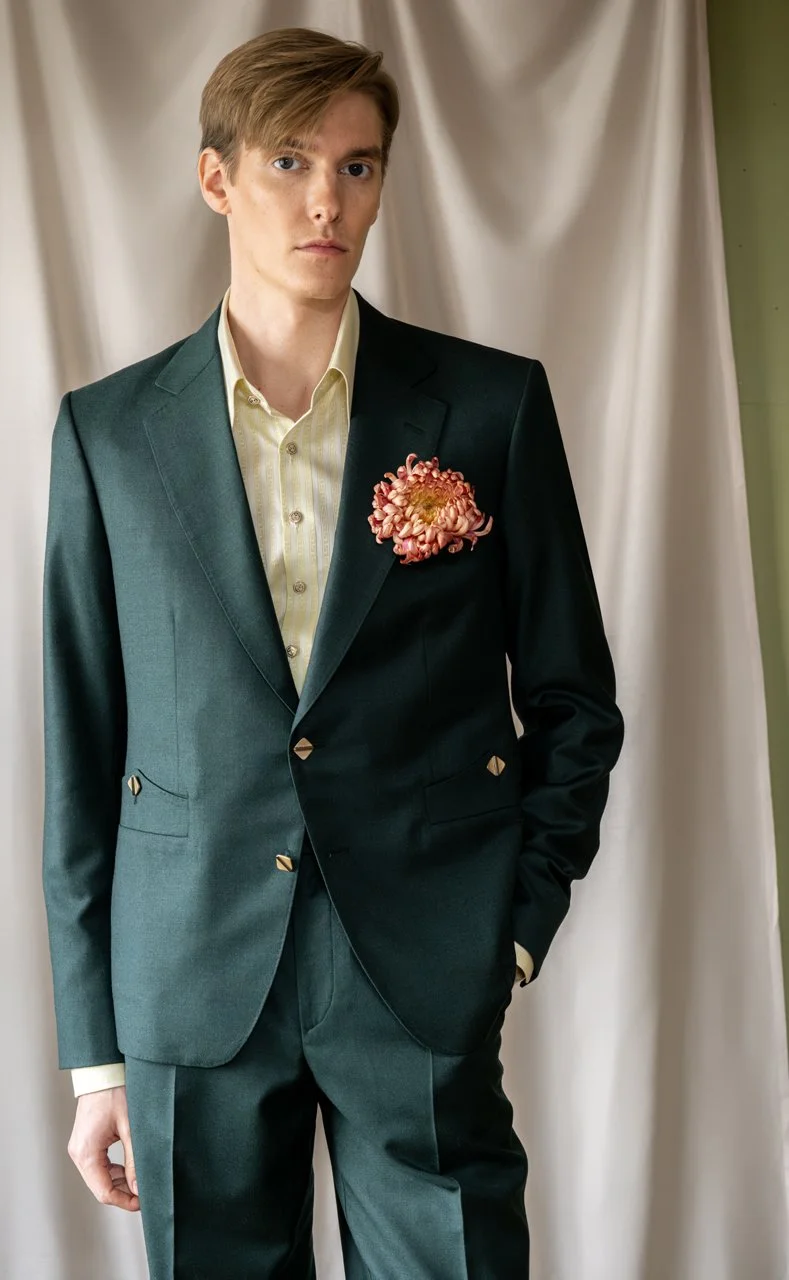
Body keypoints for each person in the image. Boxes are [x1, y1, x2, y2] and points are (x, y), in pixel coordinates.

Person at [41, 25, 624, 1279]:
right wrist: (94, 1055)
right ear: (217, 179)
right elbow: (81, 749)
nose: (327, 201)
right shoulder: (108, 435)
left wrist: (512, 928)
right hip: (191, 979)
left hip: (422, 970)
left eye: (358, 167)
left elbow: (574, 698)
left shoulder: (488, 408)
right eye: (291, 162)